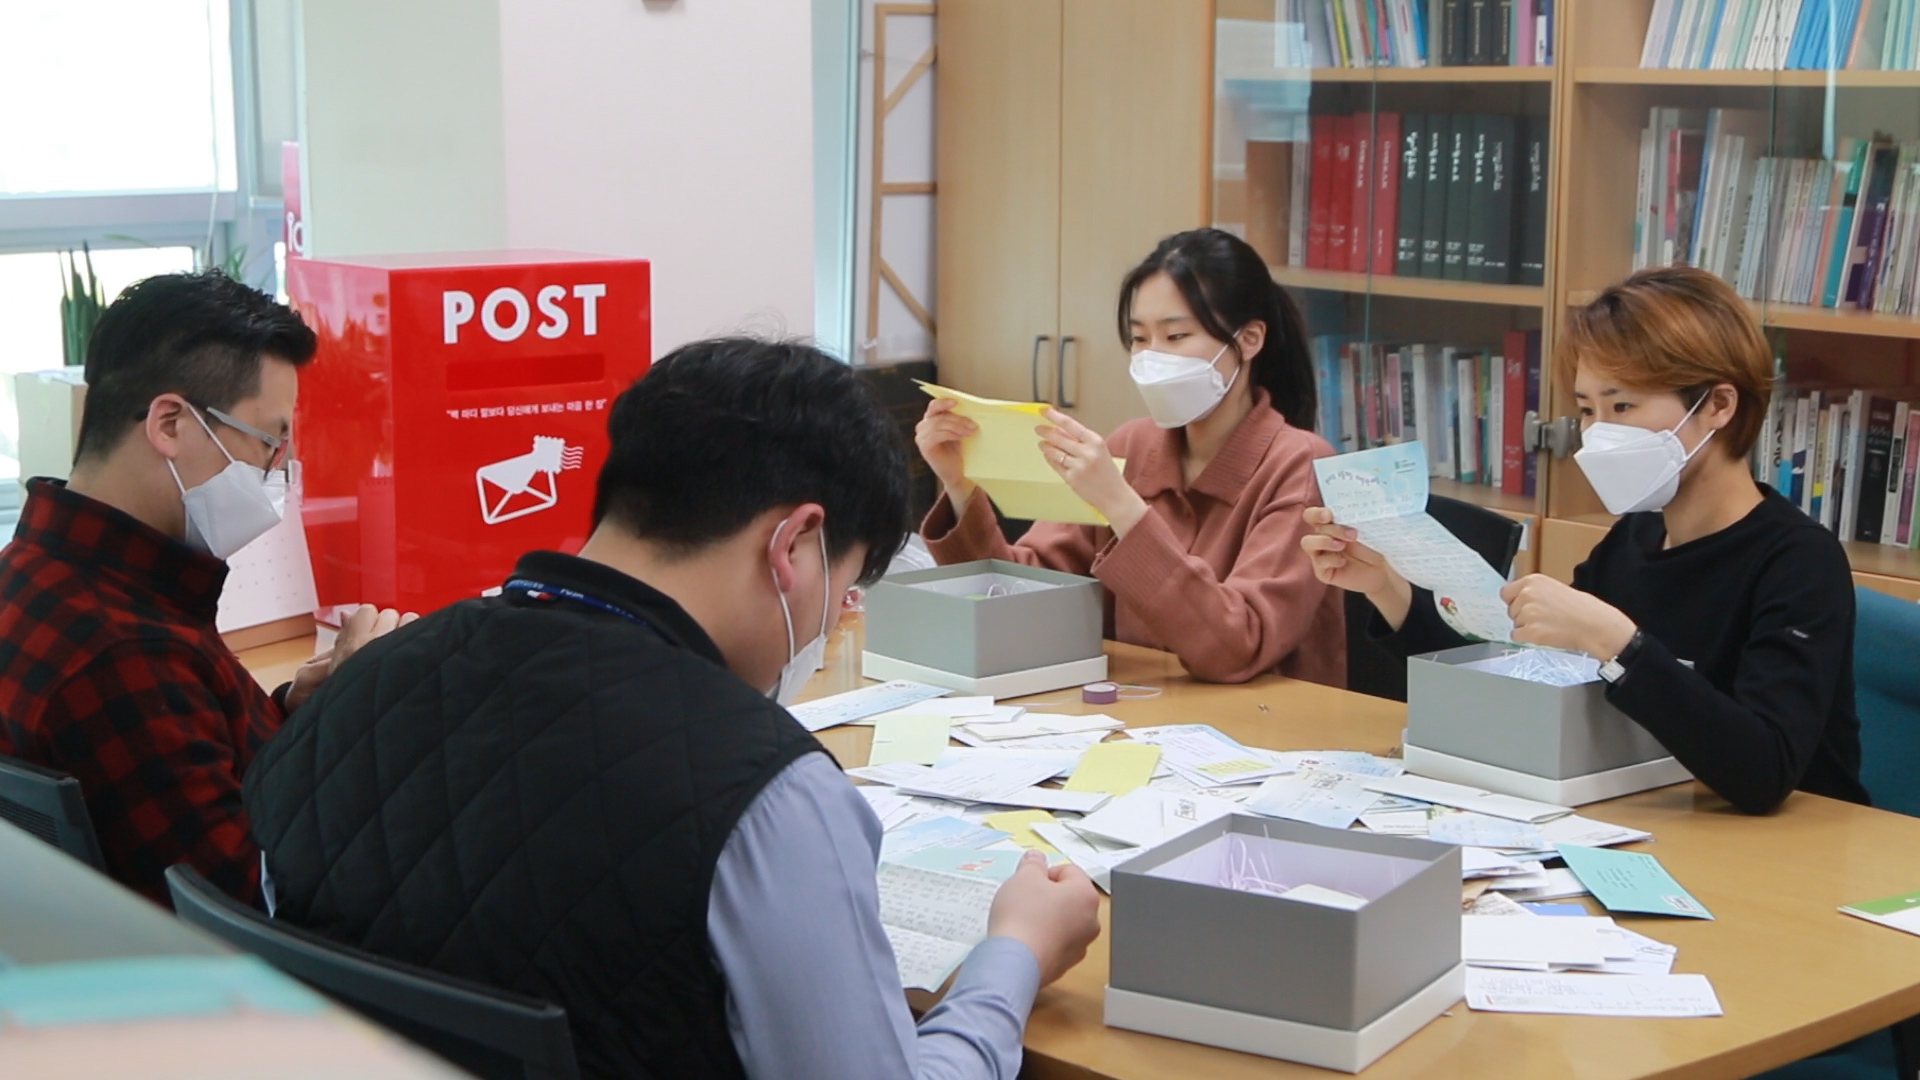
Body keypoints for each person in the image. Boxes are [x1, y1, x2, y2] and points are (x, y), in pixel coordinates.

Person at [243, 337, 1103, 1080]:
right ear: (795, 543)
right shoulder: (765, 794)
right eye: (848, 586)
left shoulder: (363, 683)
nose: (841, 615)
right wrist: (1014, 956)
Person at [1303, 267, 1866, 815]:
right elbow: (1518, 669)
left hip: (1790, 852)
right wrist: (1387, 586)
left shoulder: (1798, 561)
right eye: (1587, 410)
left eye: (1623, 406)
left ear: (1718, 405)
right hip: (1642, 814)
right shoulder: (1635, 538)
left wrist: (1618, 642)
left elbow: (1766, 770)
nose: (1599, 433)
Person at [0, 270, 407, 906]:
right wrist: (354, 726)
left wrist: (292, 711)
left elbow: (189, 760)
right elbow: (255, 907)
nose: (277, 473)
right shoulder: (128, 655)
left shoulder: (36, 572)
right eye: (269, 444)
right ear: (171, 425)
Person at [916, 228, 1344, 685]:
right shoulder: (1132, 445)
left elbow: (1236, 648)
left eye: (1176, 336)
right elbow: (1023, 595)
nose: (1152, 358)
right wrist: (960, 485)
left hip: (1268, 734)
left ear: (1250, 339)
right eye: (1140, 339)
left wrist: (1122, 507)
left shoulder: (1301, 466)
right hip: (1138, 717)